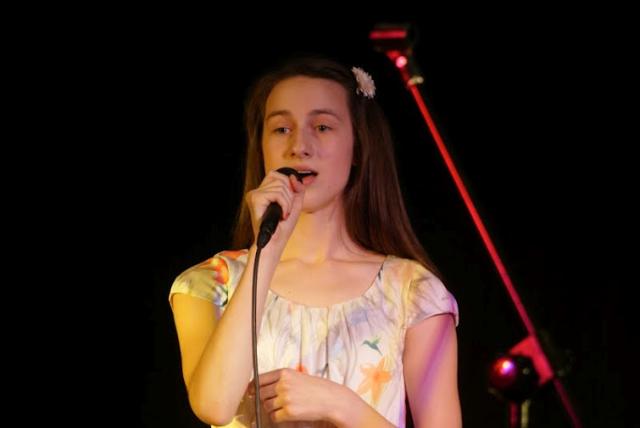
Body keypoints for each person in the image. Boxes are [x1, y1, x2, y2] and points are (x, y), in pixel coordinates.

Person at [169, 54, 461, 427]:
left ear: (358, 147)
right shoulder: (210, 284)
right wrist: (267, 248)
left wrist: (341, 405)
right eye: (281, 129)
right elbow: (213, 405)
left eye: (322, 127)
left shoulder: (412, 293)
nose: (299, 146)